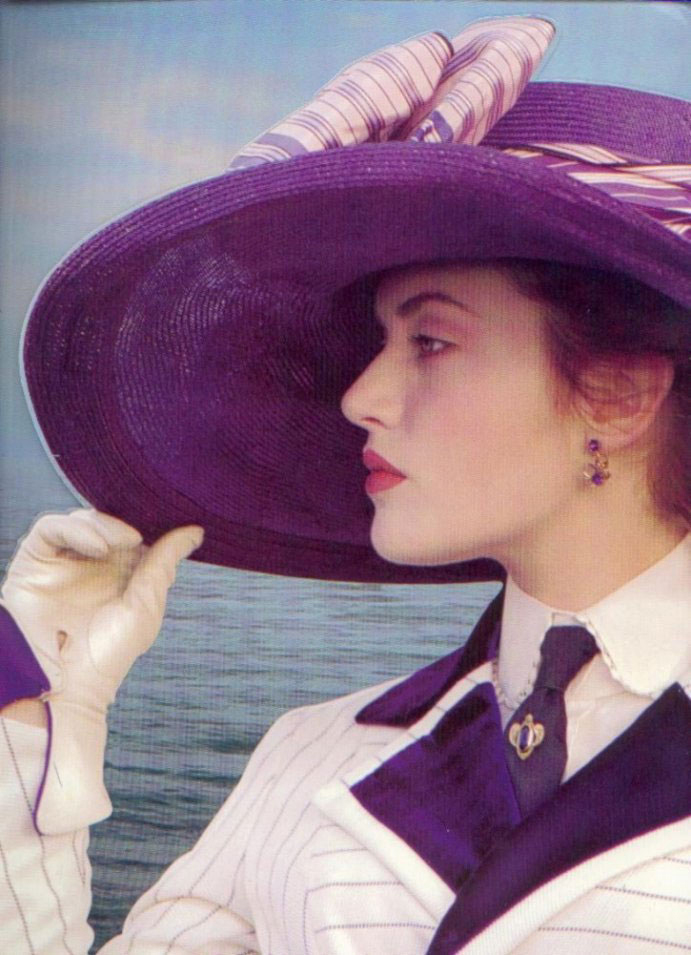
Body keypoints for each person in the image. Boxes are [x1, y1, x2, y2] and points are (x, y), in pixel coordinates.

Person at [1, 13, 689, 955]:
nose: (359, 396)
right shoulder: (309, 754)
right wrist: (42, 715)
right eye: (377, 343)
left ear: (617, 392)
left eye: (430, 340)